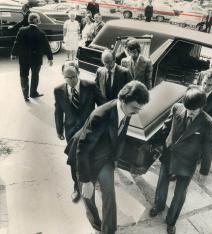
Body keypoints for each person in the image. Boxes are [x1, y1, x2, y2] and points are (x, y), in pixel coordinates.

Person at [64, 81, 149, 234]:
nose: (137, 112)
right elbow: (82, 149)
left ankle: (108, 231)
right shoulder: (100, 116)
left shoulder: (127, 110)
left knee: (109, 194)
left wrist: (114, 160)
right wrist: (86, 180)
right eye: (135, 107)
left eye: (140, 108)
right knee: (88, 196)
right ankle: (96, 225)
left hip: (104, 158)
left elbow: (119, 136)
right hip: (84, 158)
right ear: (123, 100)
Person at [149, 87, 212, 234]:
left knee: (179, 194)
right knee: (161, 184)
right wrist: (159, 144)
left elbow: (208, 148)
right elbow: (166, 126)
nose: (190, 111)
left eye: (194, 109)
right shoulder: (176, 108)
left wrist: (204, 171)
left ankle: (171, 221)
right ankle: (158, 206)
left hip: (188, 162)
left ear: (202, 106)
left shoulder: (208, 122)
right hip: (169, 155)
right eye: (188, 108)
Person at [54, 61, 105, 203]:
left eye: (73, 77)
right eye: (67, 78)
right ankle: (77, 187)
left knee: (91, 156)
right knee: (74, 160)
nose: (70, 81)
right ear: (63, 76)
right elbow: (58, 111)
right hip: (71, 132)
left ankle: (92, 181)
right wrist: (59, 129)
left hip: (90, 130)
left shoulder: (90, 86)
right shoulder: (58, 90)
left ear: (78, 74)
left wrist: (102, 125)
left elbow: (103, 106)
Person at [11, 13, 53, 102]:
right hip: (36, 59)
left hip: (23, 59)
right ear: (37, 21)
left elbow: (16, 43)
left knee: (23, 76)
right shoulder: (41, 33)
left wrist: (13, 54)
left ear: (29, 20)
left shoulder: (22, 30)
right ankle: (33, 93)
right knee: (35, 75)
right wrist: (50, 58)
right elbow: (47, 46)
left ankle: (25, 96)